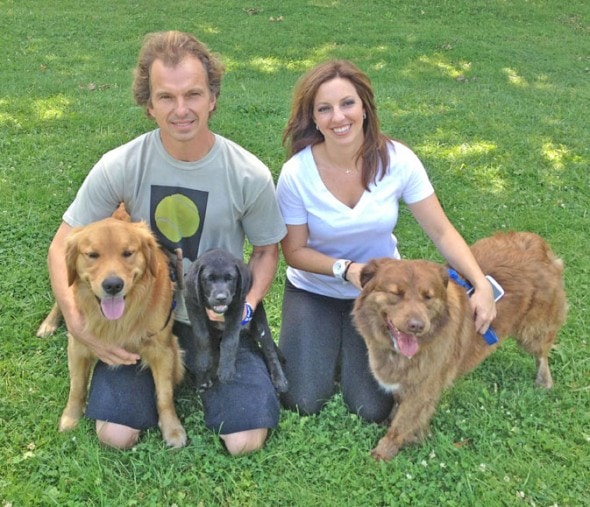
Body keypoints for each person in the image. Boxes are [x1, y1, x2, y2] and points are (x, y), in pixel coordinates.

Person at [47, 31, 286, 454]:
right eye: (166, 97)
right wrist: (79, 323)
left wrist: (244, 309)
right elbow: (62, 242)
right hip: (139, 321)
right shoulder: (120, 164)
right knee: (114, 434)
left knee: (245, 440)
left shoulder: (248, 173)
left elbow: (268, 251)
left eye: (193, 94)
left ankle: (209, 370)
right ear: (149, 104)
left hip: (214, 318)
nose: (181, 110)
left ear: (212, 97)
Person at [276, 59, 496, 422]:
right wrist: (345, 270)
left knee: (371, 408)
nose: (338, 117)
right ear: (313, 118)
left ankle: (346, 346)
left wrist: (480, 283)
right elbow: (294, 252)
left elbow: (441, 230)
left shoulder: (399, 161)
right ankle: (332, 340)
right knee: (302, 399)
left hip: (384, 297)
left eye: (347, 103)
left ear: (364, 106)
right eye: (324, 109)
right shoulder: (297, 173)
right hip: (314, 290)